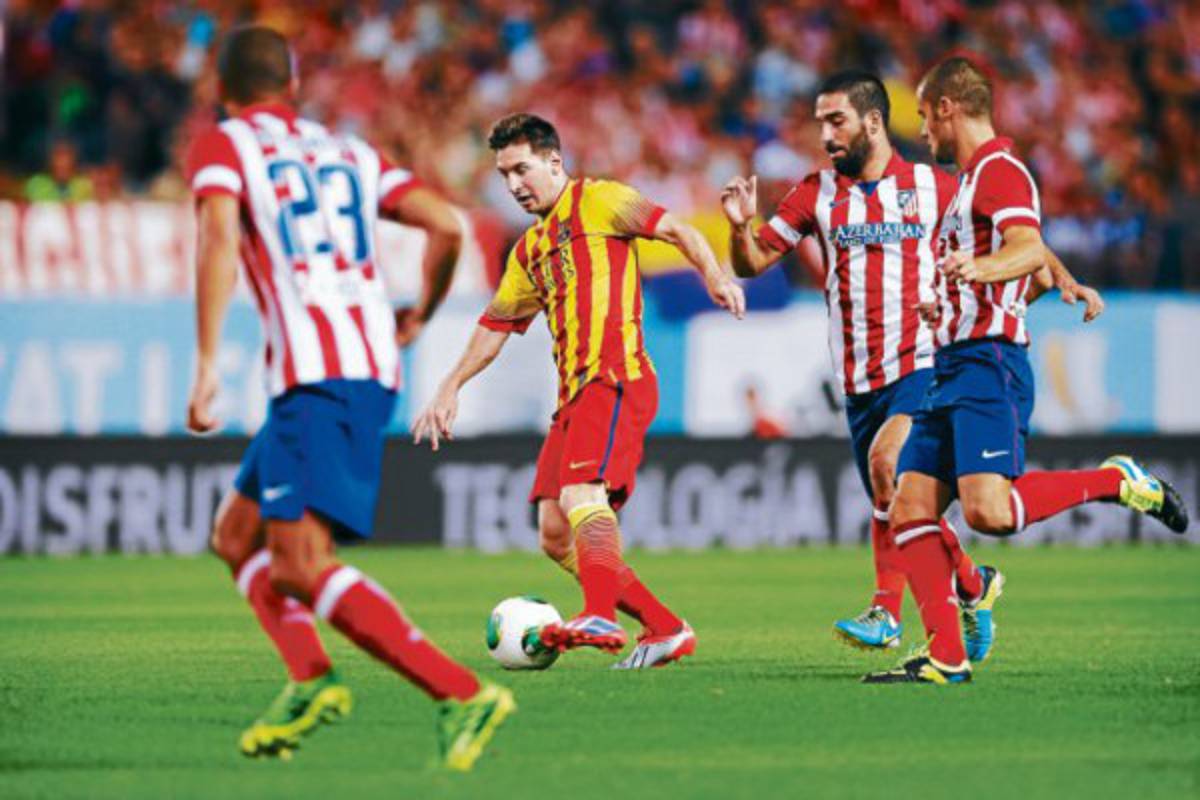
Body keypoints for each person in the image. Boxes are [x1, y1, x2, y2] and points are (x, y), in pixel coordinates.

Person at [185, 26, 513, 768]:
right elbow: (444, 224)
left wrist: (206, 364)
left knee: (299, 562)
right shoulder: (348, 152)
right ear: (292, 86)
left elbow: (215, 237)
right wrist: (420, 312)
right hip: (361, 363)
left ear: (223, 90)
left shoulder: (226, 143)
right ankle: (310, 676)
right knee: (237, 537)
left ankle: (461, 692)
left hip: (318, 375)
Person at [723, 70, 1105, 659]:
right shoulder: (814, 193)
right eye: (820, 121)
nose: (825, 134)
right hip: (857, 378)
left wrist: (1064, 277)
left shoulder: (936, 186)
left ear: (873, 121)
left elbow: (1016, 232)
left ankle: (886, 611)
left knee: (887, 465)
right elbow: (750, 262)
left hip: (925, 360)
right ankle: (974, 585)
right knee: (905, 505)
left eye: (836, 121)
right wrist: (737, 226)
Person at [863, 56, 1189, 684]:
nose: (924, 133)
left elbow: (1026, 246)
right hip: (951, 362)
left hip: (989, 364)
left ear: (947, 109)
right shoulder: (971, 185)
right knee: (910, 510)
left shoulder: (999, 170)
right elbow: (1035, 266)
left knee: (988, 513)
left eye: (926, 118)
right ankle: (946, 658)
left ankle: (1114, 481)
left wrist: (979, 274)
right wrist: (988, 292)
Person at [413, 112, 745, 669]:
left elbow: (678, 230)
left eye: (522, 169)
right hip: (572, 398)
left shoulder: (601, 201)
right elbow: (495, 326)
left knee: (582, 496)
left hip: (615, 376)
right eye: (504, 175)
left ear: (553, 162)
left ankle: (600, 614)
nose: (514, 185)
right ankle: (664, 627)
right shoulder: (529, 250)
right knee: (552, 531)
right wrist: (450, 387)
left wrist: (715, 276)